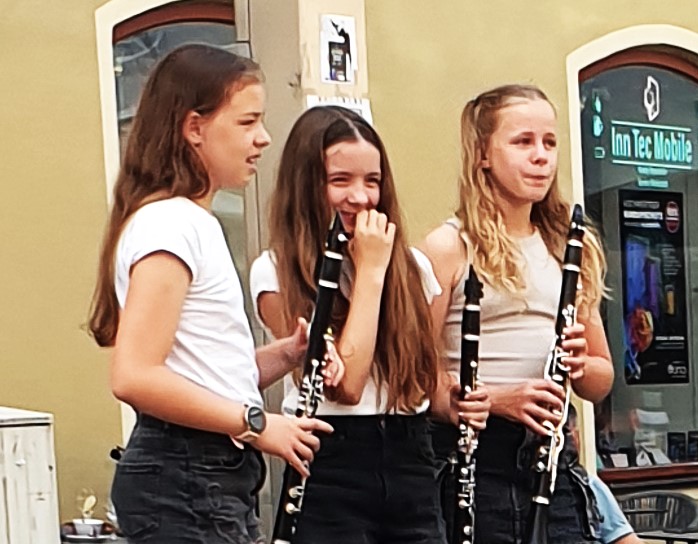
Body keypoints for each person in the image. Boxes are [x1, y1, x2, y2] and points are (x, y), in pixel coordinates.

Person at [88, 44, 333, 544]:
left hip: (201, 476)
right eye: (247, 122)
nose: (263, 138)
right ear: (194, 128)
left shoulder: (184, 220)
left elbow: (199, 374)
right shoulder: (172, 222)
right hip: (188, 475)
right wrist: (258, 423)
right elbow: (134, 375)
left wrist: (286, 354)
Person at [250, 105, 489, 544]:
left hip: (411, 457)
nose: (360, 197)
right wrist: (371, 270)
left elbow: (418, 377)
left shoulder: (413, 268)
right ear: (307, 183)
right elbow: (347, 384)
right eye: (340, 180)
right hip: (331, 460)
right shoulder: (276, 271)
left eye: (372, 181)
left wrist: (451, 400)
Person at [420, 84, 614, 544]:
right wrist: (496, 399)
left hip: (551, 461)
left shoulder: (570, 246)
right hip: (474, 462)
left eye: (549, 143)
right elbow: (412, 373)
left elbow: (601, 379)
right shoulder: (449, 246)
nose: (541, 156)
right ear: (483, 154)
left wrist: (582, 366)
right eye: (523, 142)